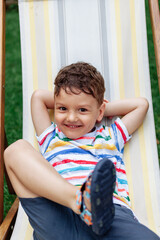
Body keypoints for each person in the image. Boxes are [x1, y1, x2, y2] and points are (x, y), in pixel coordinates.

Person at [4, 62, 160, 240]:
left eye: (82, 110)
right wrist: (86, 107)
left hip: (108, 216)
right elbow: (38, 97)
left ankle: (87, 204)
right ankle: (79, 200)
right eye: (62, 108)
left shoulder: (110, 137)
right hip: (59, 213)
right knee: (15, 150)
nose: (71, 117)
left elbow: (141, 105)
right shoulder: (51, 137)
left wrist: (97, 109)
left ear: (100, 111)